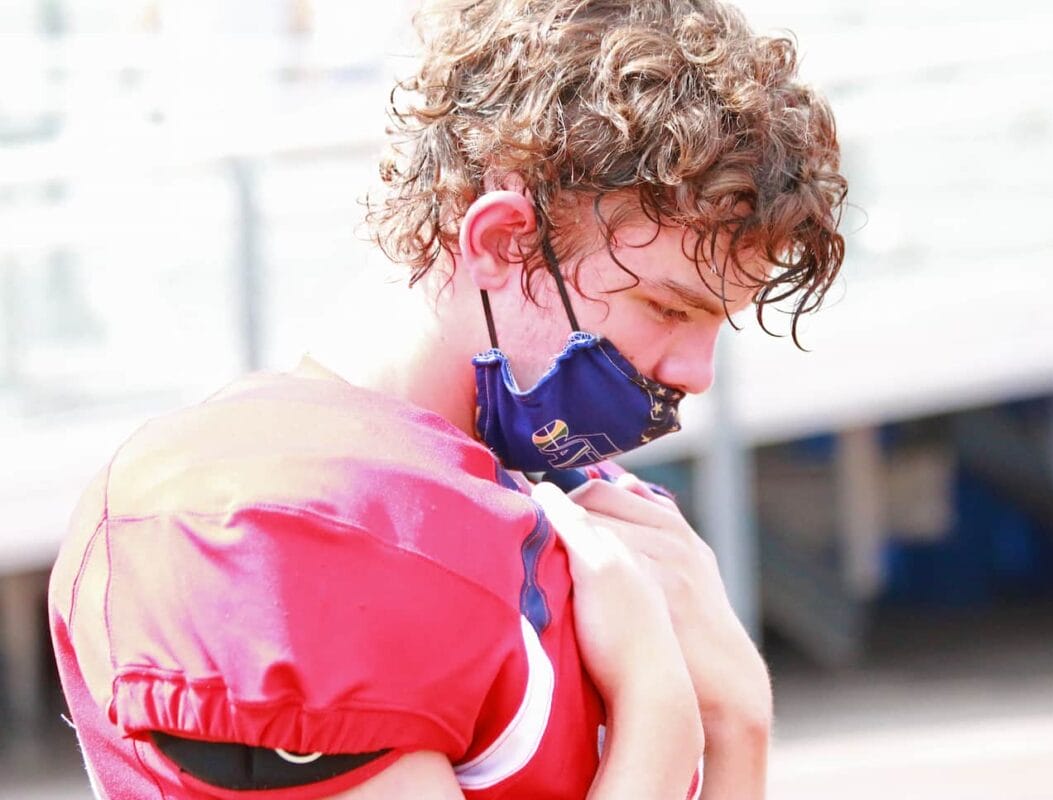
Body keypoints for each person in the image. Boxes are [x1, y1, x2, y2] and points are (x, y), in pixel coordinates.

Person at [48, 0, 846, 797]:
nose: (699, 373)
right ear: (501, 241)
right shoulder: (268, 519)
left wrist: (738, 724)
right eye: (669, 308)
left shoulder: (587, 498)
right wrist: (660, 715)